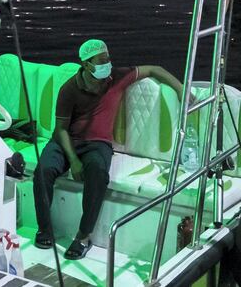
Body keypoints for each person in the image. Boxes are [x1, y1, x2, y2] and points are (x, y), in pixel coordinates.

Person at [32, 39, 185, 260]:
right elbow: (61, 130)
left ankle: (83, 236)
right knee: (43, 170)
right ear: (86, 64)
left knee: (97, 173)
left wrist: (180, 89)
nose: (108, 64)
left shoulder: (118, 78)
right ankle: (44, 229)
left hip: (97, 143)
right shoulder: (69, 89)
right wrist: (74, 161)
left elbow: (154, 69)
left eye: (108, 59)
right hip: (65, 141)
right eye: (102, 61)